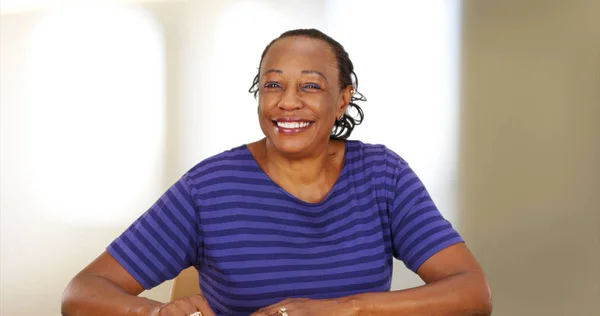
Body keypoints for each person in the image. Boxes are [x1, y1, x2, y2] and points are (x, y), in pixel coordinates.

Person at [61, 28, 492, 316]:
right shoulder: (210, 188)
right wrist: (153, 312)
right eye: (273, 85)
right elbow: (81, 293)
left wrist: (344, 308)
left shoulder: (382, 176)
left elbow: (473, 292)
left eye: (310, 85)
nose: (288, 102)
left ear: (342, 99)